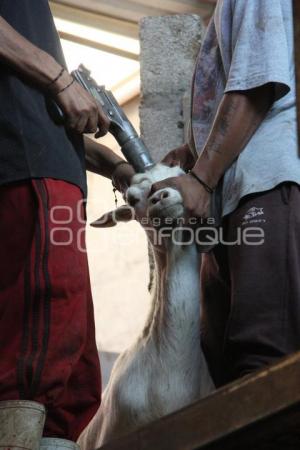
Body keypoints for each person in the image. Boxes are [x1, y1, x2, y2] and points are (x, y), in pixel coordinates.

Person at [0, 0, 134, 447]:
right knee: (35, 349)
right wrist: (60, 81)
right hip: (24, 166)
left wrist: (113, 164)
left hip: (51, 170)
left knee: (73, 377)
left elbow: (45, 108)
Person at [151, 0, 300, 387]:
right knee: (221, 362)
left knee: (263, 354)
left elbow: (258, 86)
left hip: (263, 185)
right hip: (231, 197)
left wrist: (201, 178)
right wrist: (193, 152)